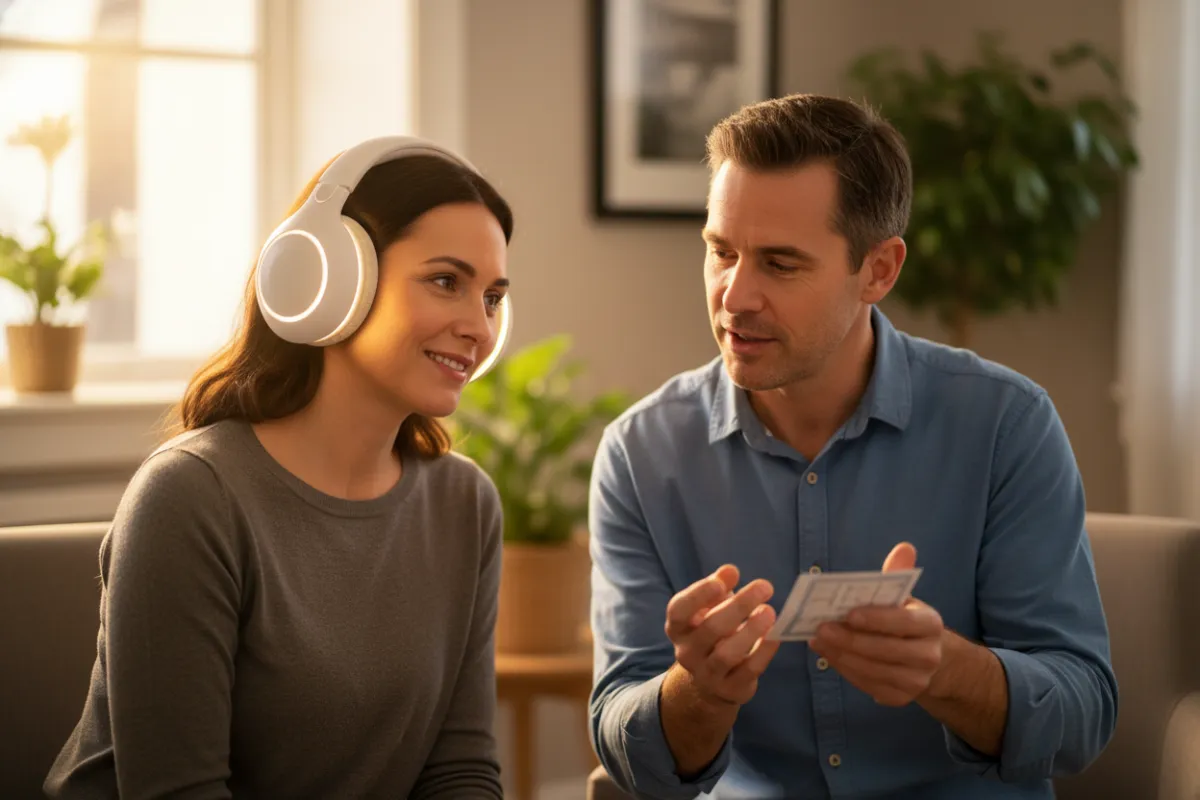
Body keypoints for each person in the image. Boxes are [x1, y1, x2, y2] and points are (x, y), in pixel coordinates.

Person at [588, 94, 1117, 799]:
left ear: (879, 270)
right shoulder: (640, 455)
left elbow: (1084, 717)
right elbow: (623, 744)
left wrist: (948, 672)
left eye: (780, 264)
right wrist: (700, 692)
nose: (734, 295)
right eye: (721, 252)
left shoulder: (1004, 426)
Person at [44, 137, 514, 799]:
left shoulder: (466, 503)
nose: (479, 327)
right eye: (446, 281)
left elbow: (459, 771)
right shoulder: (189, 497)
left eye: (492, 296)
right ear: (327, 276)